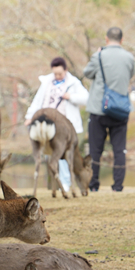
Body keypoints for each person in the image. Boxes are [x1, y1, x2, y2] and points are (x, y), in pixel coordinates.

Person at [24, 56, 89, 194]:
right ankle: (55, 184)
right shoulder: (47, 82)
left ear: (66, 70)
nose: (58, 76)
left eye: (60, 73)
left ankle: (65, 184)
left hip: (65, 125)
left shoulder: (73, 83)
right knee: (51, 154)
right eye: (55, 73)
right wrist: (30, 117)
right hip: (48, 122)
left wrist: (70, 96)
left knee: (64, 154)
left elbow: (85, 97)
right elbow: (37, 101)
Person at [82, 26, 135, 192]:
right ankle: (118, 186)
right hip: (120, 109)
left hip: (99, 108)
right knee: (120, 149)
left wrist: (98, 56)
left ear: (106, 39)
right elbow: (130, 75)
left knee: (95, 149)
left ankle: (93, 185)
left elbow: (87, 73)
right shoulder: (129, 57)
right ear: (122, 40)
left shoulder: (98, 56)